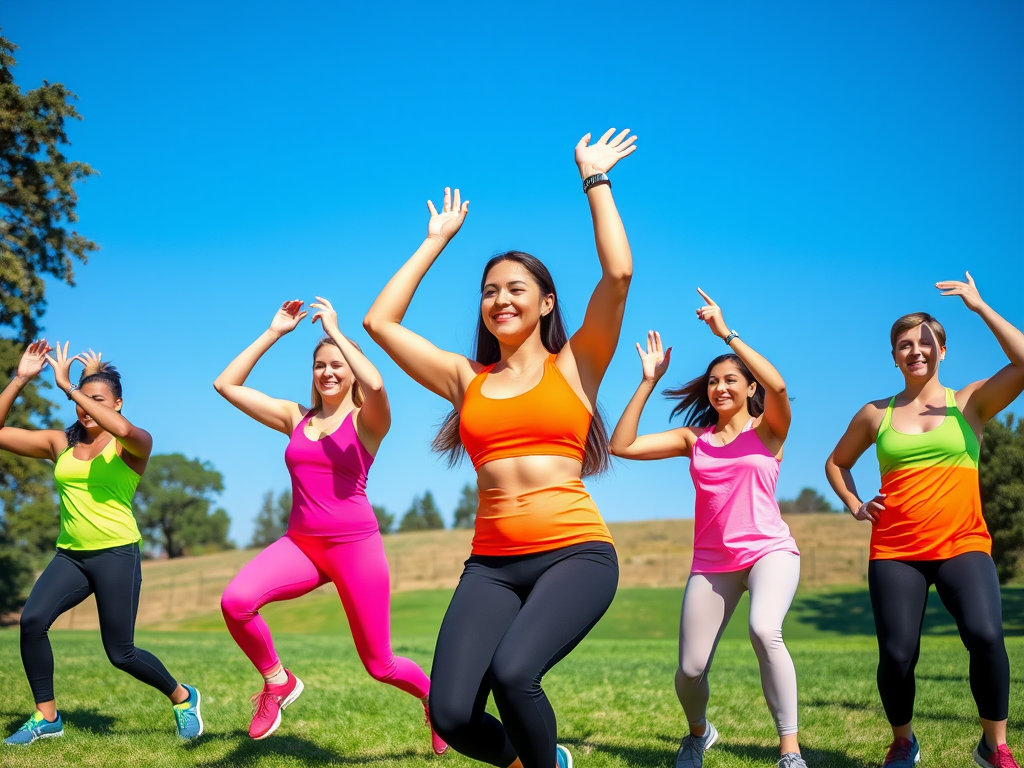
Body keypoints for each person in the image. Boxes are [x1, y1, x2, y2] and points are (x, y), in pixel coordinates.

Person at [363, 127, 636, 768]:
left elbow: (618, 274)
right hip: (492, 565)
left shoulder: (577, 365)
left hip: (576, 554)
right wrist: (434, 243)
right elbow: (380, 323)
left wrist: (595, 180)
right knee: (452, 712)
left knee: (516, 674)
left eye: (516, 288)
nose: (501, 298)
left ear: (546, 304)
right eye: (490, 290)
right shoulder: (467, 380)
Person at [215, 297, 444, 751]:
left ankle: (436, 702)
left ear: (351, 368)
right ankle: (277, 682)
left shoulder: (368, 422)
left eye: (338, 364)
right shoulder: (295, 418)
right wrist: (274, 333)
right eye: (320, 365)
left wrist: (338, 331)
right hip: (300, 544)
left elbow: (376, 383)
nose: (329, 372)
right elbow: (226, 384)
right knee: (236, 601)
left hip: (354, 548)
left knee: (380, 665)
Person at [825, 272, 1023, 768]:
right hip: (895, 551)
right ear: (894, 356)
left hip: (963, 545)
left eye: (927, 341)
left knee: (985, 636)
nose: (916, 350)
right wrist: (854, 505)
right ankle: (903, 740)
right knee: (896, 655)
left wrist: (980, 307)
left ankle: (993, 745)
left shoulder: (970, 402)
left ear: (943, 349)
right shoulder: (876, 413)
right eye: (905, 344)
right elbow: (836, 462)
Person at [609, 292, 806, 768]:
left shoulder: (769, 430)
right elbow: (622, 445)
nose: (720, 388)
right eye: (713, 381)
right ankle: (699, 733)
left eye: (731, 380)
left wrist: (726, 333)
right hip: (712, 562)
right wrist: (647, 381)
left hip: (768, 552)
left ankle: (790, 751)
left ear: (748, 386)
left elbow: (778, 387)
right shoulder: (694, 440)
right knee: (690, 670)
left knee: (765, 629)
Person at [0, 342, 202, 746]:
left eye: (98, 401)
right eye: (82, 400)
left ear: (119, 404)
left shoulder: (132, 444)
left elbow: (123, 429)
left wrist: (69, 387)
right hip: (70, 556)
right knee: (32, 622)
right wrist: (21, 378)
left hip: (116, 554)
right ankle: (47, 717)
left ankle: (183, 697)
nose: (86, 408)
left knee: (121, 653)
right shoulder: (61, 444)